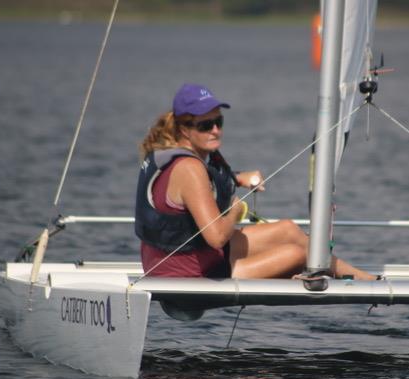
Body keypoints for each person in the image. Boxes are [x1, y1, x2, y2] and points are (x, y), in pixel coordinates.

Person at [135, 83, 376, 281]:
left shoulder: (177, 158)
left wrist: (238, 178)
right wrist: (235, 211)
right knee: (299, 253)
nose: (216, 130)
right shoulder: (188, 168)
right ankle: (363, 281)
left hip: (184, 257)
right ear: (184, 129)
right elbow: (217, 237)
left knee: (288, 229)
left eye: (219, 122)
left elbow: (201, 187)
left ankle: (362, 278)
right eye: (206, 125)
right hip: (190, 272)